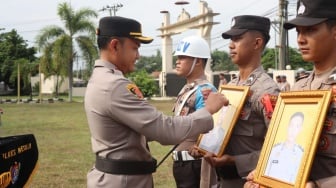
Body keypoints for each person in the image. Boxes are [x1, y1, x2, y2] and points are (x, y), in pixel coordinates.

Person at [84, 16, 228, 188]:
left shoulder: (101, 79)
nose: (137, 56)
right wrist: (208, 110)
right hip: (122, 180)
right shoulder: (114, 85)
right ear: (115, 45)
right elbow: (166, 130)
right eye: (134, 48)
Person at [244, 0, 336, 187]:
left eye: (310, 30)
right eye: (298, 31)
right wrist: (264, 173)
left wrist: (319, 186)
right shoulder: (297, 90)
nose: (301, 39)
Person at [200, 15, 280, 188]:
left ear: (257, 43)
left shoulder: (267, 91)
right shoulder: (231, 86)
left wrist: (236, 160)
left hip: (249, 181)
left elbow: (279, 148)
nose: (230, 45)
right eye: (230, 39)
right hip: (221, 179)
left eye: (237, 39)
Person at [171, 35, 218, 188]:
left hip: (195, 164)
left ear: (198, 61)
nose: (177, 61)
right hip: (182, 163)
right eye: (178, 57)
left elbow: (210, 127)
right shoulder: (188, 87)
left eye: (183, 57)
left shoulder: (205, 90)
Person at [265, 112, 304, 184]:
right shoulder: (274, 149)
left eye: (297, 126)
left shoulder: (301, 154)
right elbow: (264, 174)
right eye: (291, 125)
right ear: (287, 126)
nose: (293, 130)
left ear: (300, 129)